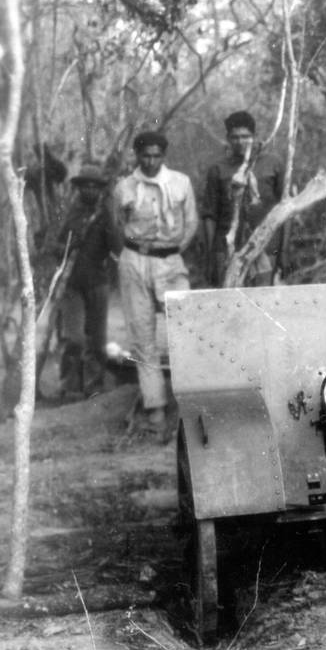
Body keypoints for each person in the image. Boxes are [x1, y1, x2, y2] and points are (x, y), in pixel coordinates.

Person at [112, 131, 198, 432]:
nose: (150, 161)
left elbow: (191, 223)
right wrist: (138, 251)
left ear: (163, 155)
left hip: (171, 260)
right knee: (142, 334)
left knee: (185, 329)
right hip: (135, 260)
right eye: (145, 155)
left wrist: (171, 251)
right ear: (137, 155)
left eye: (156, 155)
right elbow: (118, 224)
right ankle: (155, 408)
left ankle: (191, 405)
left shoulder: (180, 182)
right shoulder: (125, 186)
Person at [51, 164, 121, 400]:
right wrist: (69, 246)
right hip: (72, 283)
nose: (90, 191)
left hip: (98, 282)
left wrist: (110, 214)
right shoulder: (69, 213)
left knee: (98, 340)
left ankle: (94, 386)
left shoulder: (105, 215)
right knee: (74, 338)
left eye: (95, 187)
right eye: (85, 186)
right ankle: (69, 386)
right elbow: (53, 246)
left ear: (100, 190)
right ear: (79, 188)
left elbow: (117, 247)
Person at [202, 110, 285, 287]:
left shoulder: (273, 164)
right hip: (227, 248)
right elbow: (210, 215)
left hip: (266, 246)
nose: (240, 142)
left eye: (245, 136)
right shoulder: (218, 169)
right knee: (229, 302)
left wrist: (283, 252)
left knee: (263, 302)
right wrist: (211, 255)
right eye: (235, 137)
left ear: (255, 136)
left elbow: (285, 209)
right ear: (228, 138)